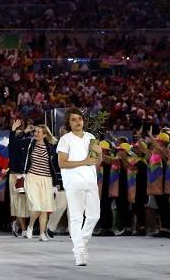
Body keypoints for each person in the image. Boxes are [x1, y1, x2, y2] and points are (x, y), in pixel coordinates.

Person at [56, 108, 101, 267]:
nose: (77, 122)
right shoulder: (65, 139)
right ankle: (79, 252)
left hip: (90, 182)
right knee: (76, 218)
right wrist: (84, 161)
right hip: (73, 183)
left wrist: (99, 153)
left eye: (79, 118)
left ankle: (81, 242)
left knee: (94, 216)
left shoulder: (91, 137)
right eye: (73, 119)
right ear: (68, 122)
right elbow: (62, 163)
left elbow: (95, 161)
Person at [22, 125, 58, 242]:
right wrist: (23, 132)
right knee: (37, 205)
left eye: (39, 132)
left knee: (44, 208)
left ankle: (42, 233)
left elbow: (53, 165)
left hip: (47, 179)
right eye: (35, 131)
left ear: (44, 135)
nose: (36, 133)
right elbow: (16, 142)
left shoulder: (51, 147)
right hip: (32, 177)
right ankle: (31, 226)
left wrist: (56, 182)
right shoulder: (30, 144)